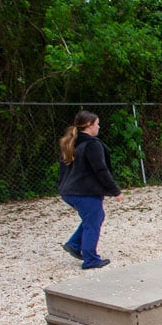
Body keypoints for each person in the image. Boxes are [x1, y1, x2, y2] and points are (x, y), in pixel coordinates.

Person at [58, 111, 123, 269]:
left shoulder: (73, 142)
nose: (98, 127)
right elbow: (101, 170)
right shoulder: (92, 144)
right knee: (93, 220)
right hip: (84, 191)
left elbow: (63, 170)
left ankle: (74, 244)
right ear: (89, 126)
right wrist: (115, 191)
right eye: (97, 124)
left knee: (94, 217)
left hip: (68, 191)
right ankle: (90, 258)